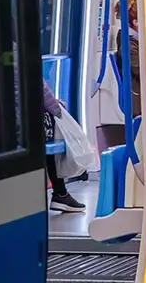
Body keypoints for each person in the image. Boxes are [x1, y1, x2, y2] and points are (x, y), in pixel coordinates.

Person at [44, 78, 86, 213]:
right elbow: (42, 92)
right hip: (28, 124)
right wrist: (58, 109)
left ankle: (60, 194)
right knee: (52, 134)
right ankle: (61, 193)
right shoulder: (25, 61)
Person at [114, 0, 141, 118]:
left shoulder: (135, 40)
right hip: (138, 100)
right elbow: (142, 72)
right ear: (136, 23)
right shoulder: (128, 45)